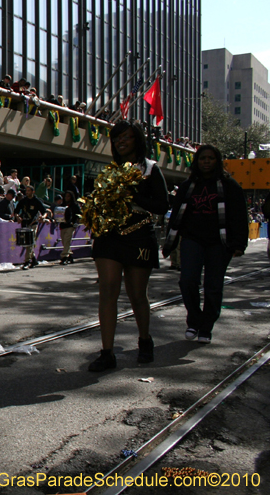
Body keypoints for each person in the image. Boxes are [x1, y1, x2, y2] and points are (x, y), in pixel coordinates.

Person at [88, 121, 169, 372]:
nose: (120, 142)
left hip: (139, 235)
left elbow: (162, 205)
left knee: (137, 294)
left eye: (126, 137)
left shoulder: (151, 169)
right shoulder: (109, 170)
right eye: (116, 138)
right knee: (108, 290)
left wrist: (132, 196)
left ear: (137, 140)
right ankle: (107, 352)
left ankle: (145, 340)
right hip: (109, 237)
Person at [163, 145, 248, 344]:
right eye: (202, 158)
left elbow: (239, 216)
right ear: (197, 162)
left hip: (219, 243)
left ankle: (206, 327)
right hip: (192, 240)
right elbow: (175, 216)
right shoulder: (188, 186)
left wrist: (239, 244)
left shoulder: (229, 185)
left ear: (217, 161)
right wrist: (169, 244)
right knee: (187, 281)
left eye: (210, 158)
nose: (206, 162)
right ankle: (194, 319)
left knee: (213, 287)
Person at [13, 185, 46, 269]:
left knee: (30, 242)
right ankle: (33, 259)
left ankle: (27, 261)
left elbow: (44, 211)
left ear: (32, 192)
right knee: (27, 243)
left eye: (28, 191)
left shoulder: (36, 201)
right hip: (24, 223)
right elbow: (16, 211)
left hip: (33, 223)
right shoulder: (23, 201)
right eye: (26, 191)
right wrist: (17, 217)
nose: (27, 192)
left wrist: (43, 217)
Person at [59, 190, 81, 265]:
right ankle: (70, 255)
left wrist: (76, 221)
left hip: (71, 225)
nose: (67, 198)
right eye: (66, 196)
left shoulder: (75, 205)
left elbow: (79, 214)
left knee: (67, 240)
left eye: (68, 196)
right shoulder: (62, 205)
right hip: (63, 225)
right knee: (64, 241)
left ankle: (64, 257)